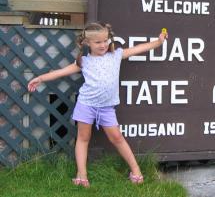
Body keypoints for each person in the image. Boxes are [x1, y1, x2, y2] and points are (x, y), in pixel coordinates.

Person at [28, 22, 168, 187]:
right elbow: (61, 71)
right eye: (98, 42)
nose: (103, 45)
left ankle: (136, 169)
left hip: (106, 108)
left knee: (117, 138)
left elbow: (139, 48)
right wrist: (41, 78)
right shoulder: (84, 61)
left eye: (105, 40)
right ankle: (82, 174)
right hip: (86, 105)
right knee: (83, 138)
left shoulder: (116, 55)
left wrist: (158, 42)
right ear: (87, 43)